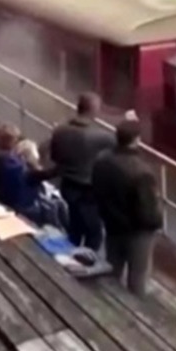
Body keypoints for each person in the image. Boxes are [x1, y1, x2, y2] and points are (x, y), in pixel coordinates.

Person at [91, 119, 163, 294]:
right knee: (138, 276)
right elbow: (147, 212)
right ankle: (137, 311)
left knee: (112, 267)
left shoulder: (101, 160)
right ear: (137, 139)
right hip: (137, 232)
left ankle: (110, 301)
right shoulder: (142, 172)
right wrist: (156, 225)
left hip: (111, 224)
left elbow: (96, 189)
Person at [47, 92, 115, 251]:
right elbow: (122, 144)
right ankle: (86, 263)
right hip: (87, 191)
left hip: (66, 185)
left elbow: (54, 157)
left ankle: (70, 258)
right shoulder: (100, 136)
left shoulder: (59, 131)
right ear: (93, 110)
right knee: (94, 233)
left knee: (75, 227)